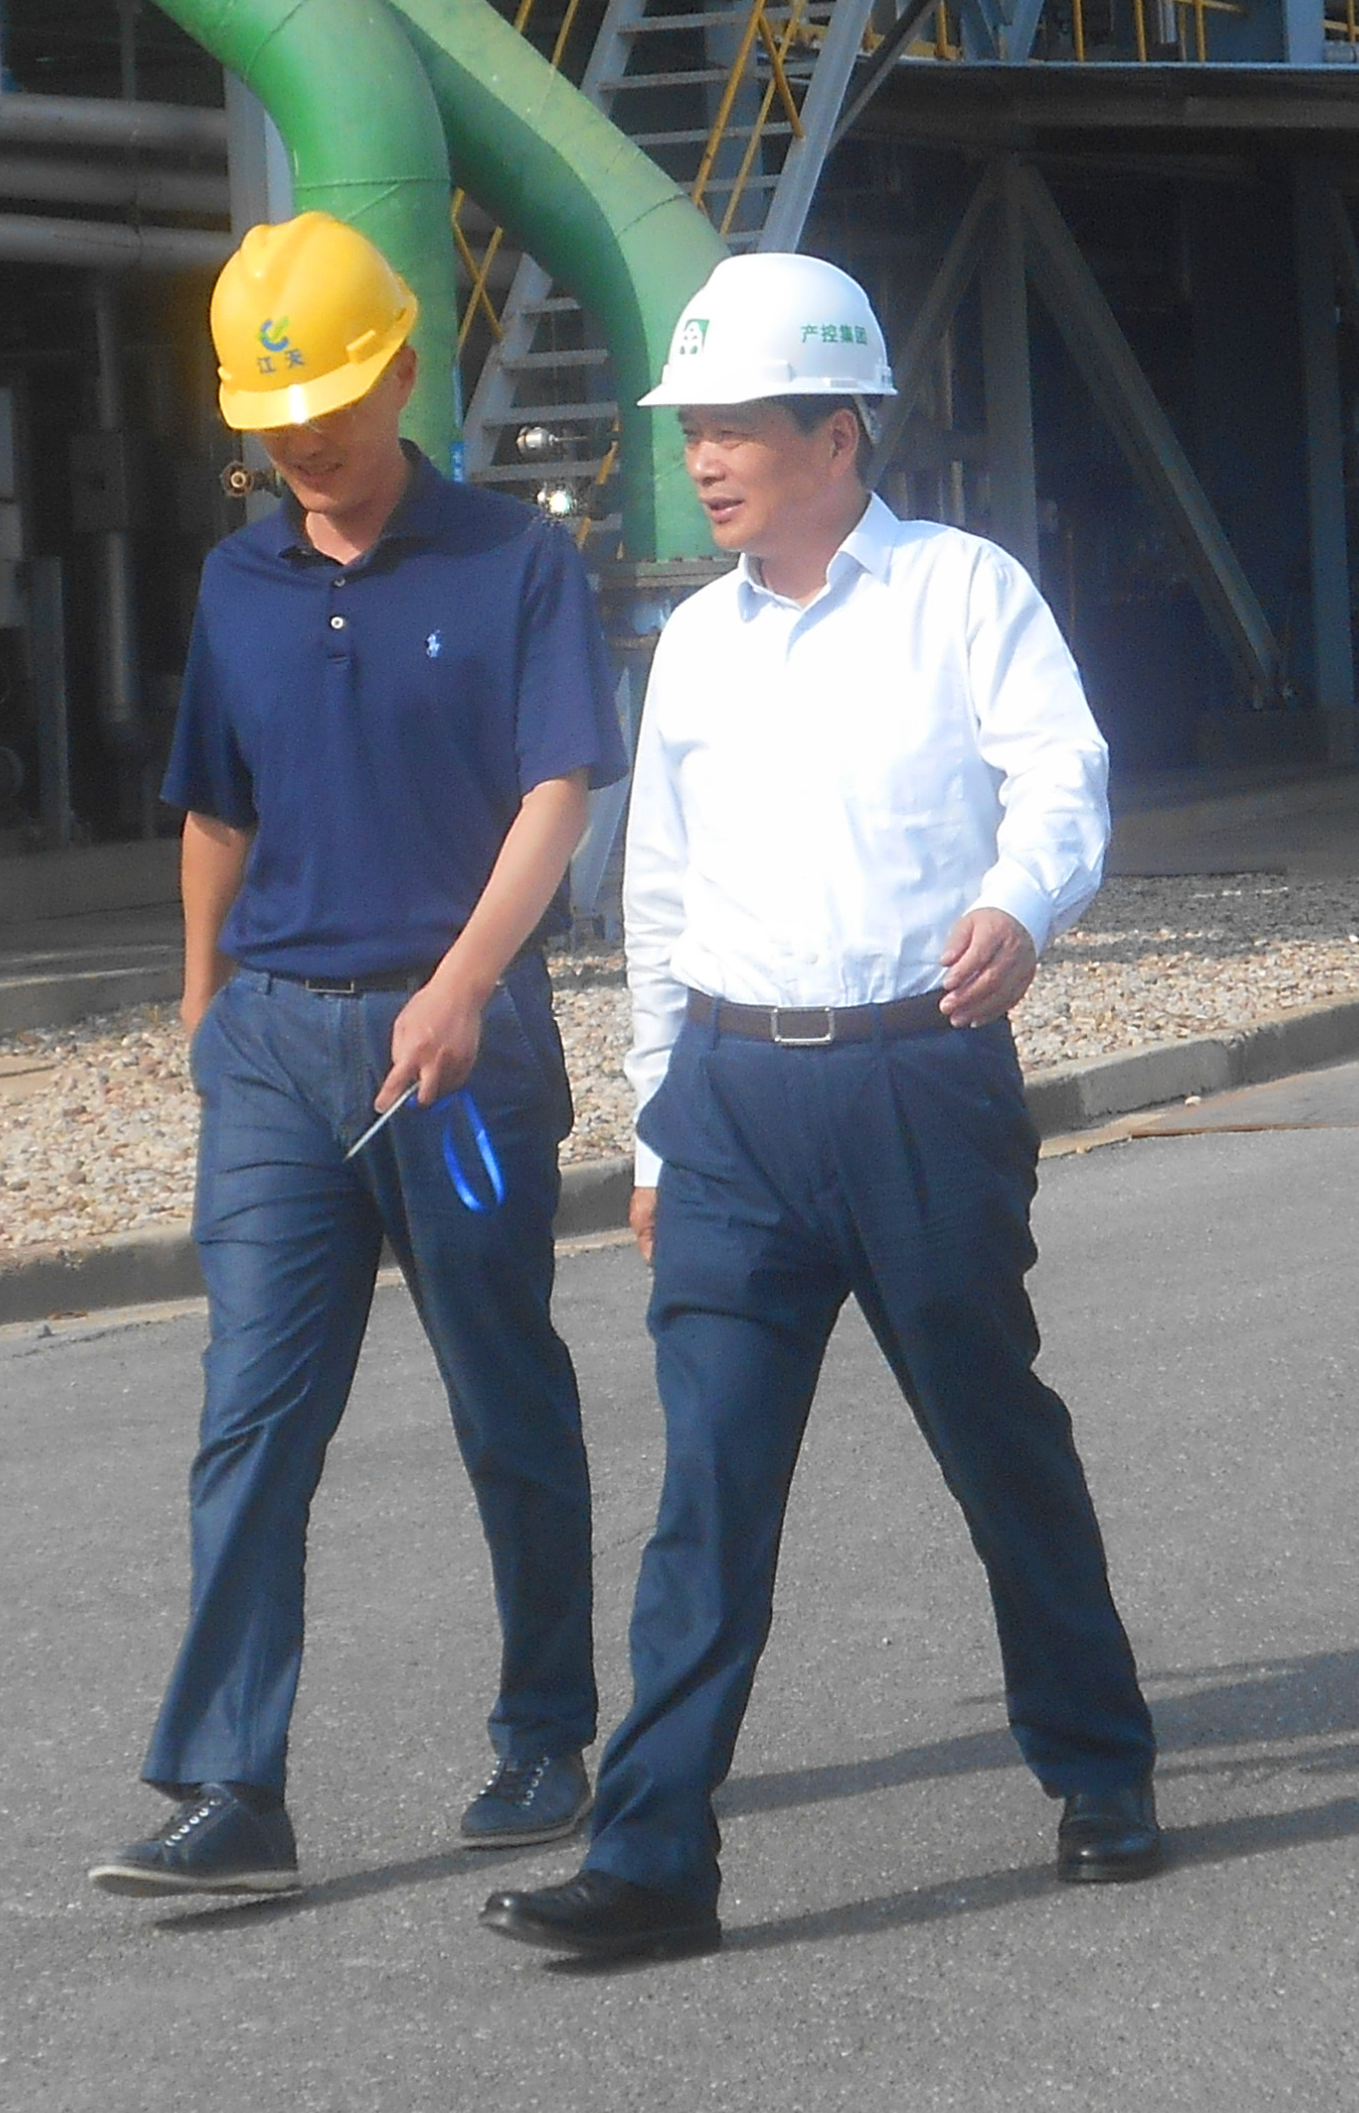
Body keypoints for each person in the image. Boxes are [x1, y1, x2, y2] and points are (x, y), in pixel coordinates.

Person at [484, 251, 1158, 1965]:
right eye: (692, 431)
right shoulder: (694, 647)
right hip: (731, 1105)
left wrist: (1021, 904)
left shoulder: (961, 593)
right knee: (707, 1485)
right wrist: (655, 1123)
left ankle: (1098, 1765)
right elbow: (659, 894)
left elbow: (1062, 775)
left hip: (917, 1082)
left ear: (838, 434)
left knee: (992, 1438)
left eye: (735, 429)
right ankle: (652, 1858)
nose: (702, 461)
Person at [90, 216, 623, 1901]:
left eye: (325, 402)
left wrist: (465, 984)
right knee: (251, 1415)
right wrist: (202, 1000)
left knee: (502, 1391)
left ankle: (545, 1731)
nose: (301, 439)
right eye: (272, 417)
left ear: (400, 373)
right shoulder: (236, 583)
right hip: (273, 1048)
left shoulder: (513, 563)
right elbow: (215, 806)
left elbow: (557, 795)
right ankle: (230, 1786)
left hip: (457, 1050)